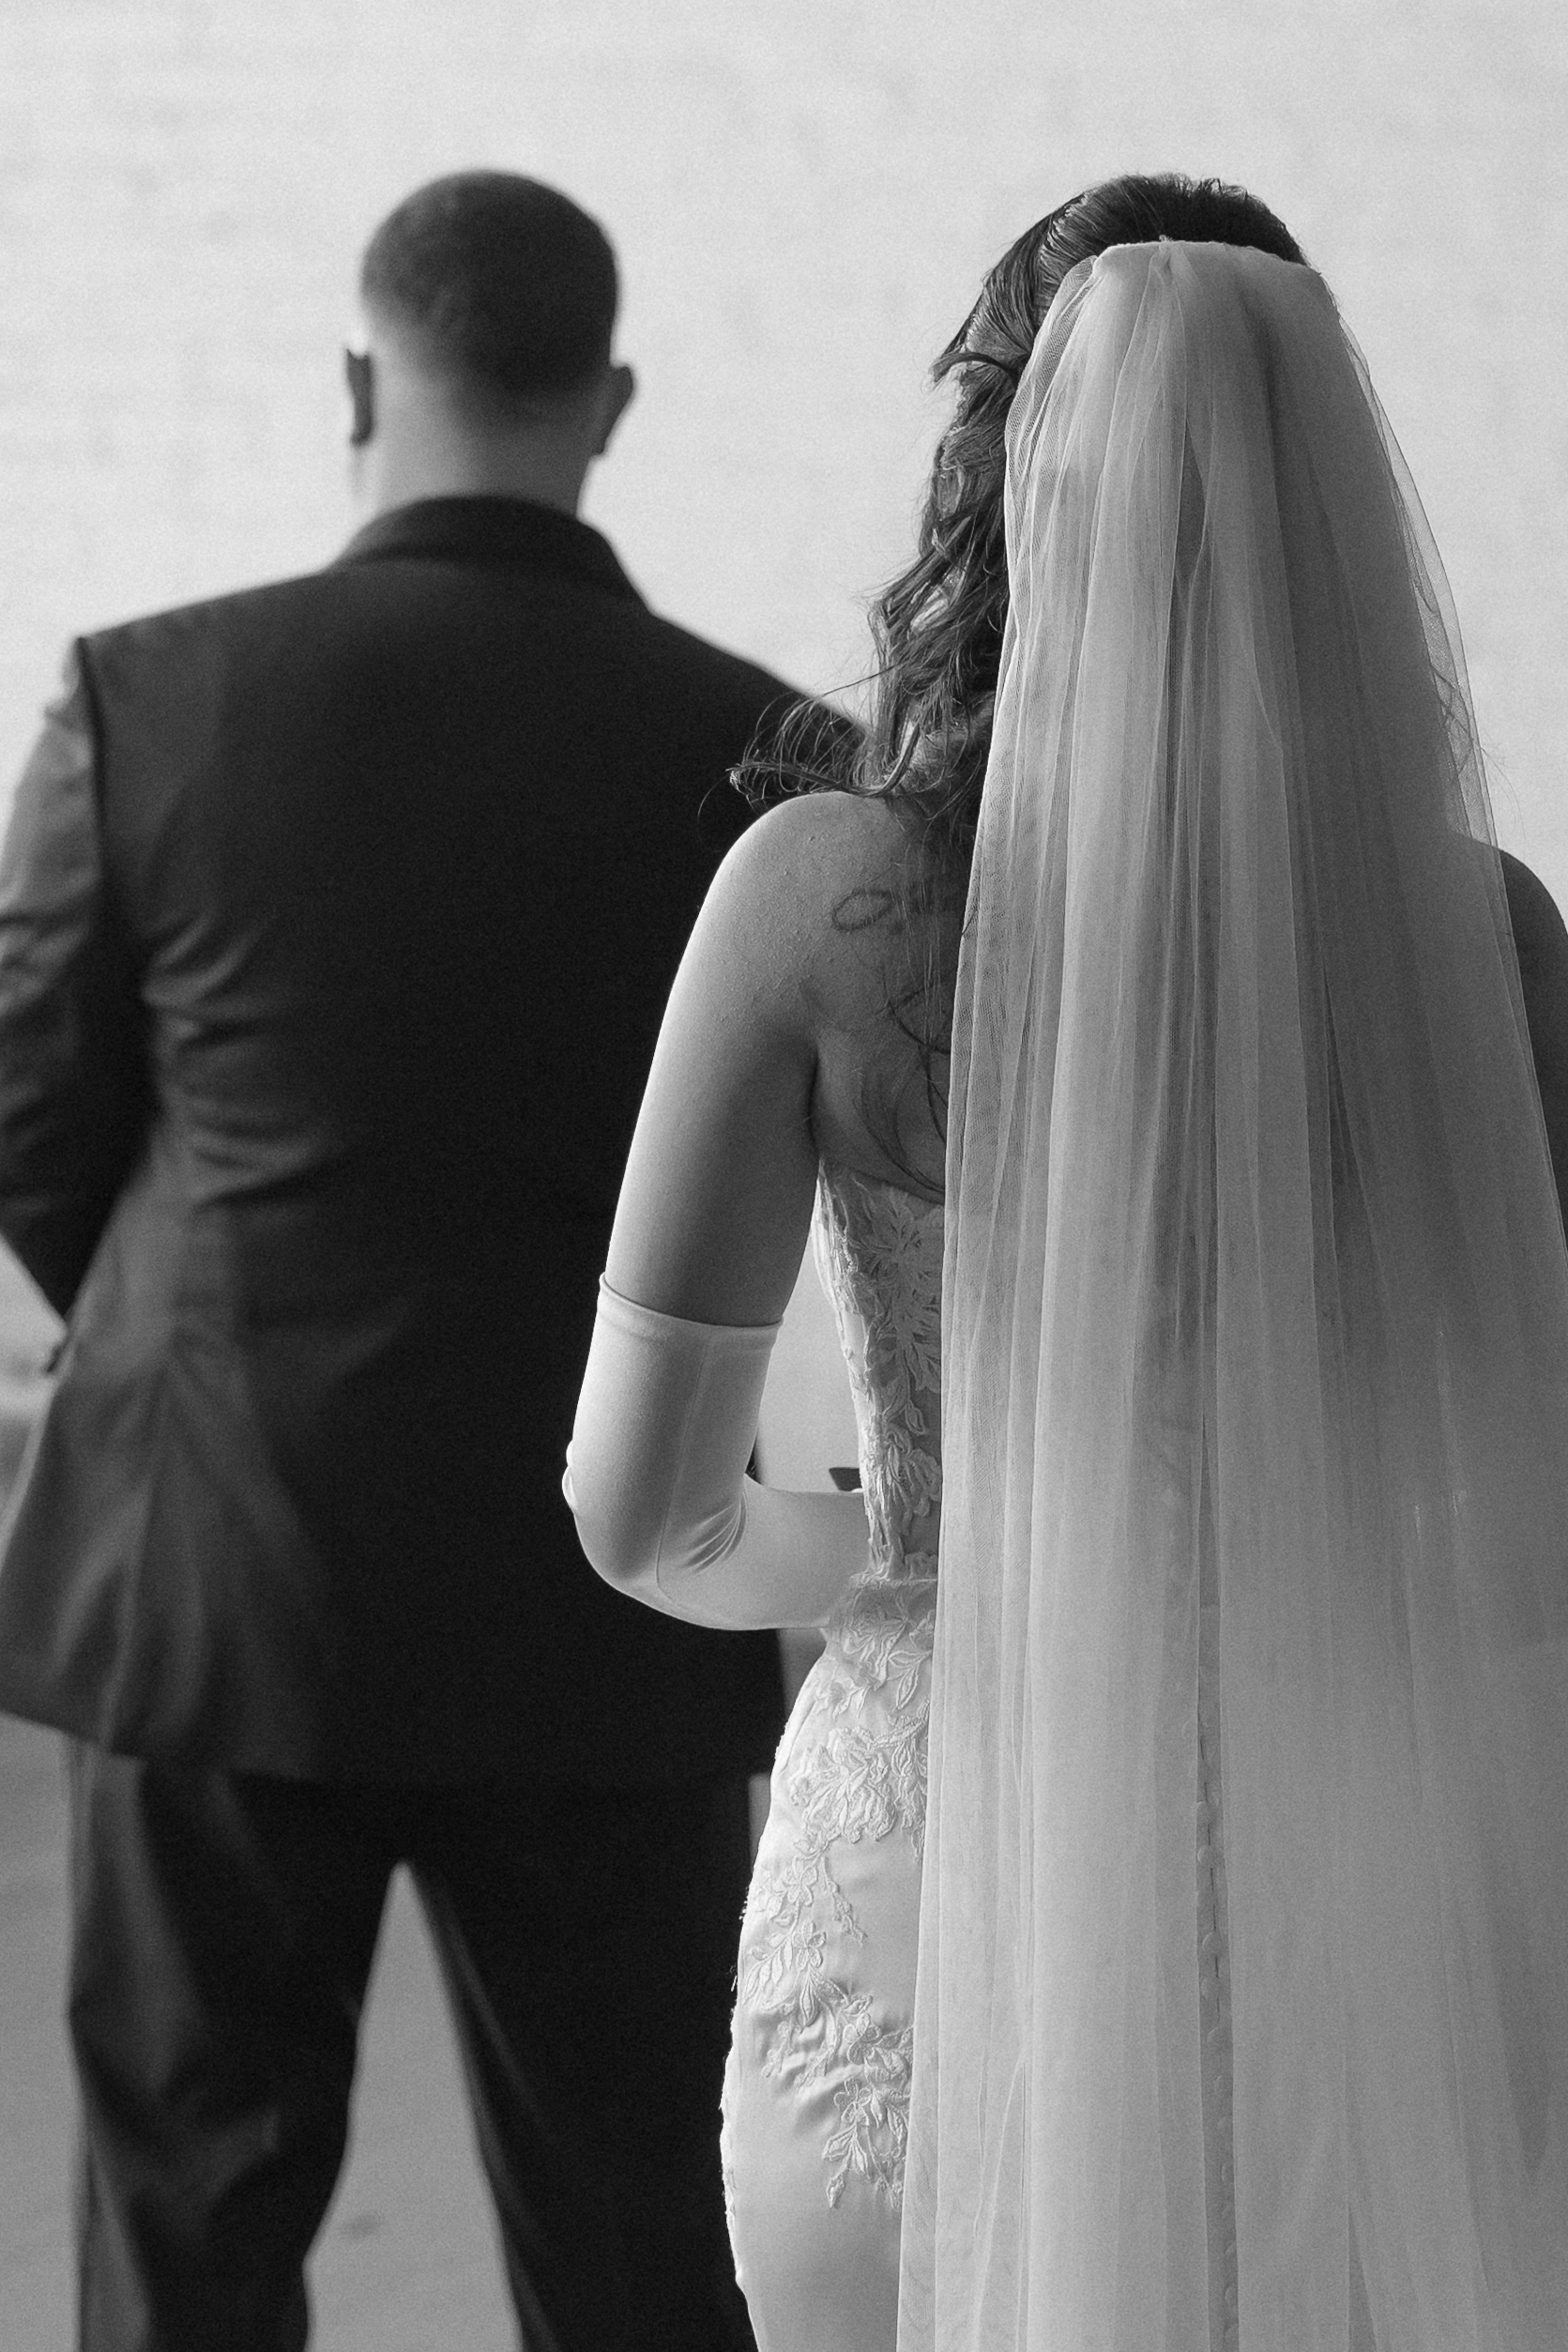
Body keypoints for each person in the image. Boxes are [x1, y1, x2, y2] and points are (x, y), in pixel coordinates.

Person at [567, 174, 1568, 2350]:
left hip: (929, 1906)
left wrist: (902, 1551)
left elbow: (632, 1509)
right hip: (1349, 1900)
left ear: (995, 477)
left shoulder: (822, 907)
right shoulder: (1477, 940)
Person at [0, 170, 790, 2352]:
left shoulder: (146, 698)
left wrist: (196, 1340)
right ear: (608, 400)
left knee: (188, 2235)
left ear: (358, 376)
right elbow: (777, 1184)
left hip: (215, 1580)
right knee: (642, 2238)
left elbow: (31, 1128)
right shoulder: (756, 753)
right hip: (606, 1604)